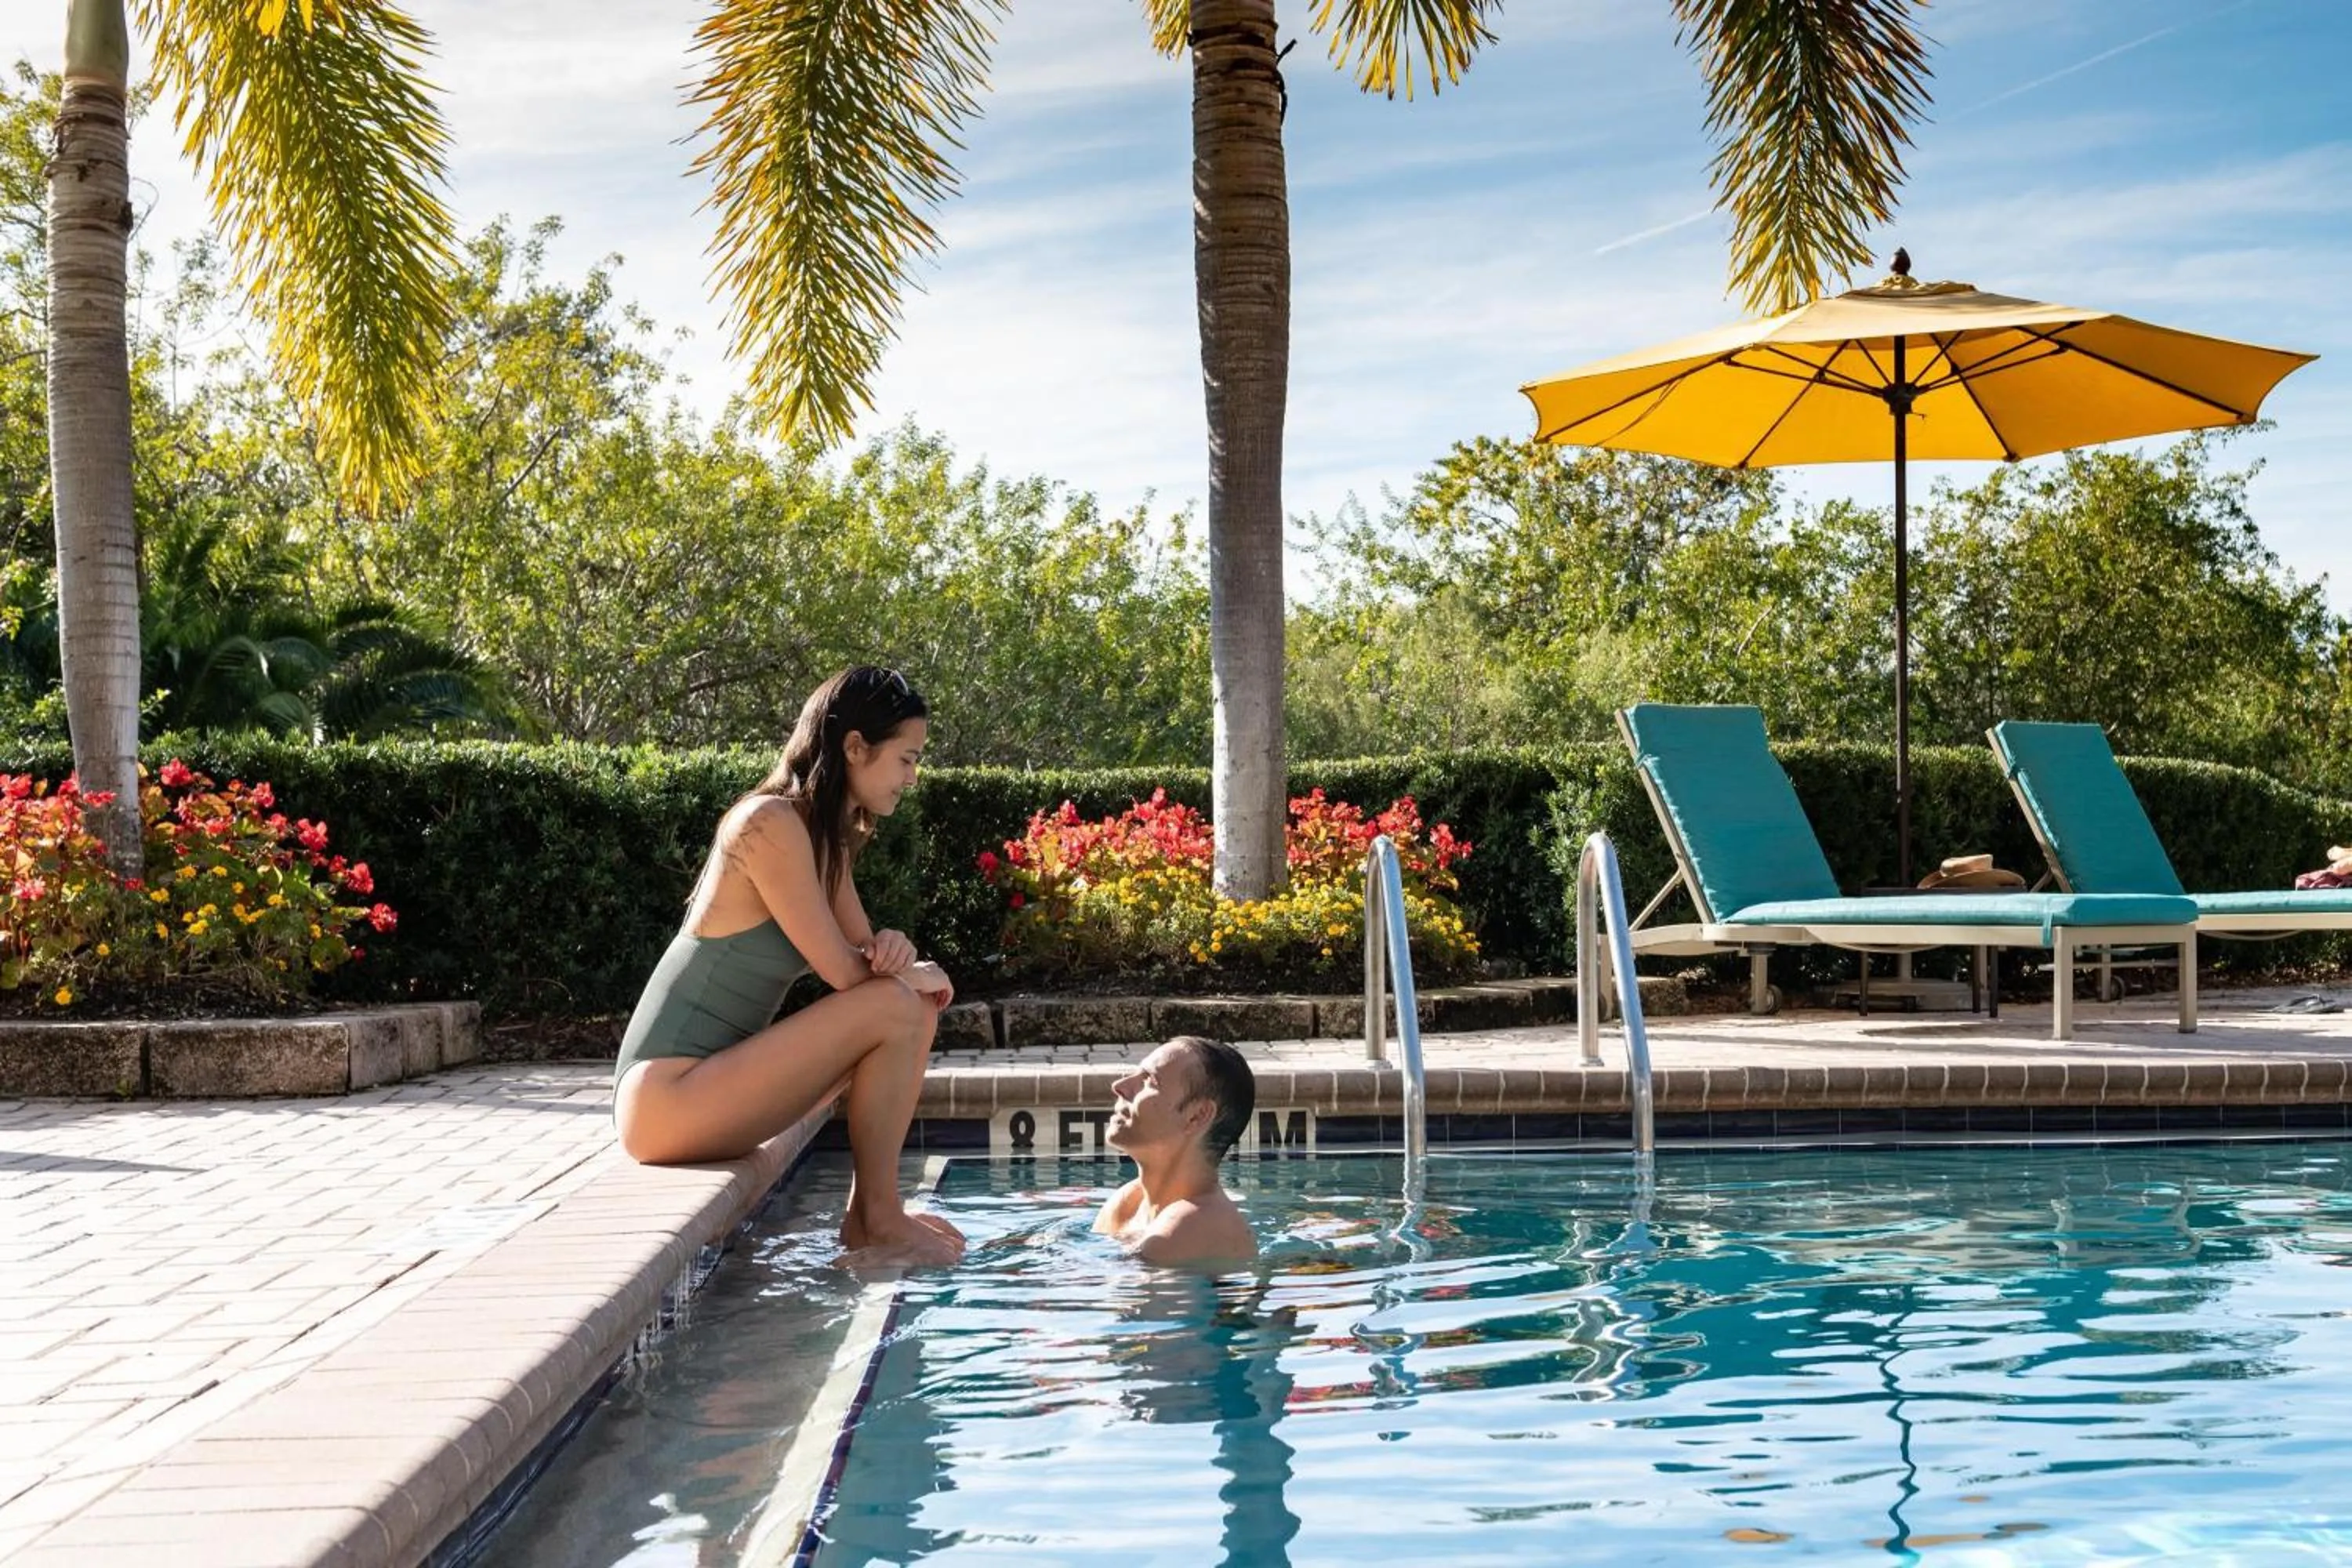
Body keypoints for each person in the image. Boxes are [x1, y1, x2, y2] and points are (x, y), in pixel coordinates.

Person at [612, 665, 964, 1265]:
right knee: (896, 1005)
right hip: (663, 1100)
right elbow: (849, 977)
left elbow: (871, 965)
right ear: (856, 746)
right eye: (906, 758)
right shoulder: (768, 824)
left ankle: (872, 1215)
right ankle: (878, 1217)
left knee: (910, 1008)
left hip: (710, 1089)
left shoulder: (824, 844)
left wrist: (899, 951)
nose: (913, 775)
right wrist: (905, 972)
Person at [1094, 1036, 1259, 1267]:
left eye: (1149, 1080)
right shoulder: (1129, 1203)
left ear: (1197, 1116)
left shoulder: (1192, 1225)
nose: (1120, 1087)